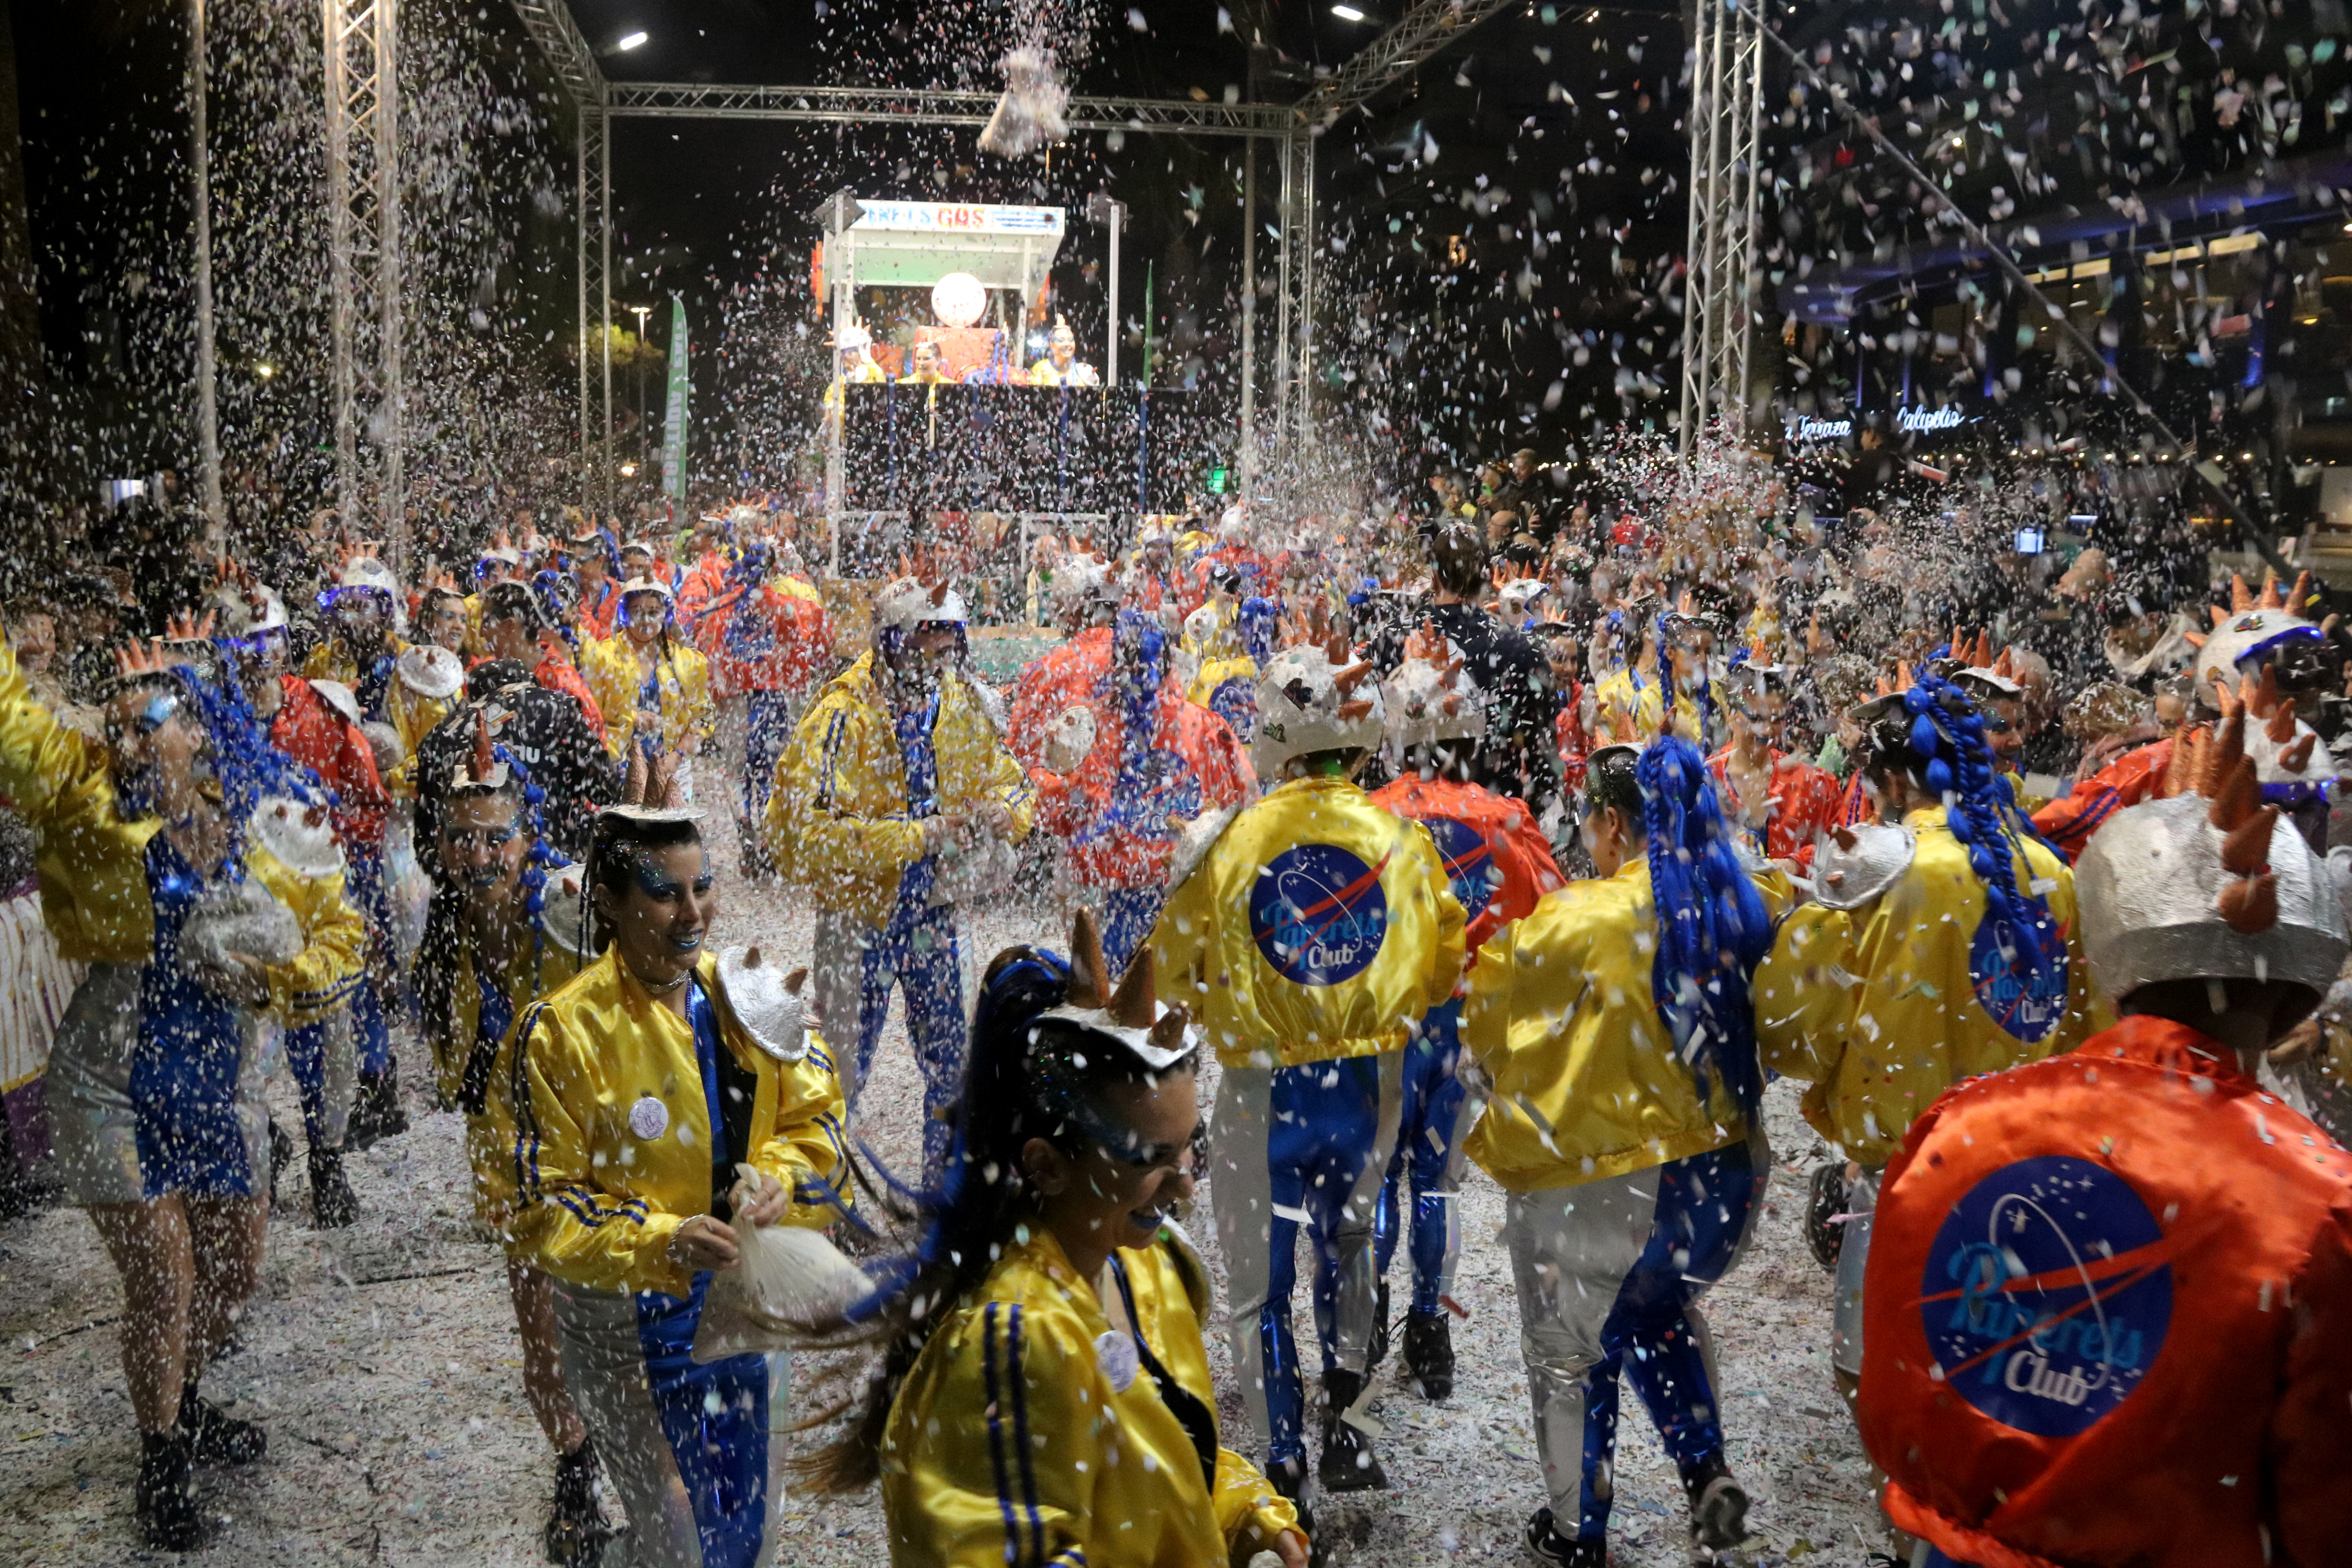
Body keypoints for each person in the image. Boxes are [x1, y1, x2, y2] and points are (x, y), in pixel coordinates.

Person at [1855, 714, 2352, 1568]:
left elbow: (1902, 1395)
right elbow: (2325, 1511)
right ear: (2291, 1002)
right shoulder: (2319, 1204)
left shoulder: (1964, 1123)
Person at [0, 614, 364, 1549]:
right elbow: (16, 739)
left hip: (221, 1091)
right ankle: (161, 1460)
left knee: (229, 1278)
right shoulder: (96, 817)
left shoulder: (276, 825)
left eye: (144, 719)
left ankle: (187, 1400)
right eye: (114, 725)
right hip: (108, 1085)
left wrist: (276, 976)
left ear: (200, 726)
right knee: (164, 1281)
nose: (124, 741)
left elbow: (341, 939)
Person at [797, 910, 1307, 1568]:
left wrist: (1248, 1517)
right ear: (1045, 1164)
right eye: (1151, 1159)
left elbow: (1168, 1467)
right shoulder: (1010, 1340)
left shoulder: (1147, 1269)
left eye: (1192, 1150)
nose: (1184, 1185)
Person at [1153, 631, 1465, 1505]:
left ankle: (1279, 1456)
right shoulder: (1400, 838)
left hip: (1262, 1092)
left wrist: (1232, 1002)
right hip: (1370, 1092)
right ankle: (1349, 1425)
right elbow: (1443, 970)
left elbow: (1170, 977)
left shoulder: (1229, 839)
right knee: (1355, 1245)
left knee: (1258, 1288)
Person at [1755, 665, 2103, 1444]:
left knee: (1877, 1373)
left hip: (1908, 1174)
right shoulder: (2047, 870)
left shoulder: (1879, 864)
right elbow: (2084, 1028)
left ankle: (1916, 1527)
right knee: (2000, 1375)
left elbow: (1797, 1028)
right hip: (2025, 1176)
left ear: (1888, 779)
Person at [1464, 739, 1780, 1567]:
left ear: (1612, 821)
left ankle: (1579, 1534)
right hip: (1722, 1185)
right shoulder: (1741, 899)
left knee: (1573, 1347)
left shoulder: (1578, 916)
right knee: (1657, 1310)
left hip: (1612, 1185)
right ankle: (1706, 1468)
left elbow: (1489, 1018)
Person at [512, 805, 851, 1568]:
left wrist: (782, 1188)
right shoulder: (561, 1032)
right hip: (621, 1320)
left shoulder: (746, 1001)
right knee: (674, 1529)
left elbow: (819, 1127)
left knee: (745, 1524)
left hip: (741, 1300)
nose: (693, 913)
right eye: (666, 893)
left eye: (704, 888)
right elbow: (539, 1208)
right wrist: (662, 1240)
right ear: (607, 899)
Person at [413, 718, 613, 1565]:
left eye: (497, 837)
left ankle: (644, 1467)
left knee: (625, 1330)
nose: (479, 855)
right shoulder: (447, 933)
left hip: (608, 1157)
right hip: (512, 1166)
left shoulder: (570, 909)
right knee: (542, 1346)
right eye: (460, 838)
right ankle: (575, 1473)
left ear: (529, 840)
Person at [765, 570, 1034, 1180]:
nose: (940, 661)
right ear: (893, 643)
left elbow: (1014, 782)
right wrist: (918, 835)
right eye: (928, 645)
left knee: (952, 1063)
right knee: (836, 1067)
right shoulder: (839, 714)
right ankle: (823, 1196)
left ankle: (943, 1197)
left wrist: (1005, 813)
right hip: (856, 920)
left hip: (934, 917)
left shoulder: (961, 703)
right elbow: (798, 834)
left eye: (949, 645)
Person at [1365, 625, 1562, 1400]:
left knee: (1382, 1177)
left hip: (1388, 1025)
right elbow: (1550, 912)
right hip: (1461, 1031)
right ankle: (1429, 1329)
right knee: (1438, 1183)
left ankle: (1370, 1314)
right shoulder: (1502, 817)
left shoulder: (1372, 815)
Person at [1028, 608, 1254, 972]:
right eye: (1128, 665)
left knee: (1126, 1006)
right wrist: (1075, 790)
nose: (1134, 676)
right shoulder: (1093, 726)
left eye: (1139, 664)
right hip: (1143, 895)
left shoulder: (1199, 729)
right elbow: (1246, 805)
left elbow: (1243, 805)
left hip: (1161, 893)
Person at [1374, 517, 1563, 823]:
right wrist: (1522, 827)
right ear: (1487, 576)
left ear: (1433, 576)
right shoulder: (1520, 649)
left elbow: (1372, 740)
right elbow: (1545, 760)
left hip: (1403, 820)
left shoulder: (1392, 639)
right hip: (1489, 827)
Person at [582, 576, 716, 808]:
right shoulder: (603, 658)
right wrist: (632, 719)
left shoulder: (687, 661)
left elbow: (702, 717)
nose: (645, 620)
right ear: (624, 614)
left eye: (654, 612)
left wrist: (677, 757)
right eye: (637, 611)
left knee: (670, 840)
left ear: (667, 615)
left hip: (671, 768)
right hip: (616, 768)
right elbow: (587, 714)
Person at [1708, 654, 1844, 873]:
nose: (1767, 731)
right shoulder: (1706, 779)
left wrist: (1798, 863)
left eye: (1777, 719)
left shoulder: (1811, 782)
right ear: (1731, 714)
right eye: (1756, 719)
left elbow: (1840, 846)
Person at [1025, 314, 1101, 386]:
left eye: (1071, 340)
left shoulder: (1084, 372)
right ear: (1052, 345)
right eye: (1061, 340)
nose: (1067, 344)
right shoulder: (1040, 369)